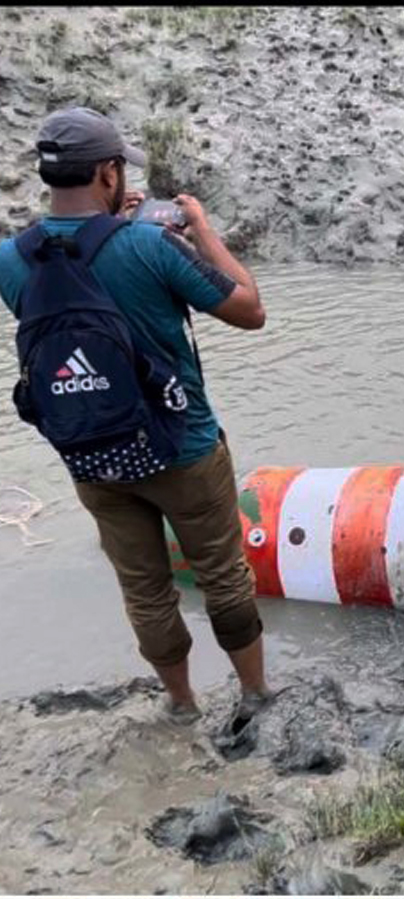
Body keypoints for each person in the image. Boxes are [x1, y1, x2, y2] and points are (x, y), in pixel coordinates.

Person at [0, 107, 269, 725]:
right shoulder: (151, 244)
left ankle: (180, 705)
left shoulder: (14, 260)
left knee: (144, 589)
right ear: (108, 173)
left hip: (90, 454)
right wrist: (199, 231)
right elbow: (251, 311)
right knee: (223, 575)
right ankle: (255, 696)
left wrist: (108, 231)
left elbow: (76, 272)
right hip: (184, 448)